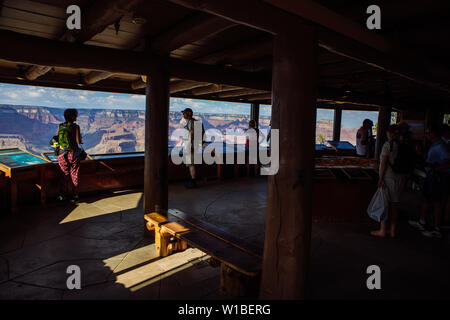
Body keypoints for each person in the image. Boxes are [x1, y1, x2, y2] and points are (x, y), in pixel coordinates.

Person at [409, 125, 450, 238]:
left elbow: (448, 162)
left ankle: (437, 229)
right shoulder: (435, 145)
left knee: (437, 202)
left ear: (434, 134)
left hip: (438, 177)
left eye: (428, 132)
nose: (426, 135)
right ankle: (422, 222)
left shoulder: (441, 146)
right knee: (426, 199)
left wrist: (435, 169)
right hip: (430, 175)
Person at [371, 124, 406, 238]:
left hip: (388, 178)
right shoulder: (403, 145)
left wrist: (380, 178)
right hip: (400, 178)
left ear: (389, 133)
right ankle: (392, 231)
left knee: (384, 204)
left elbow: (384, 163)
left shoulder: (388, 145)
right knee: (394, 206)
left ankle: (382, 230)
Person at [57, 108, 82, 203]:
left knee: (64, 174)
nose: (77, 116)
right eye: (76, 115)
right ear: (72, 116)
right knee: (74, 173)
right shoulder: (76, 127)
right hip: (73, 153)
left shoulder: (60, 126)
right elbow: (78, 141)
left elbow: (57, 138)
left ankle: (62, 195)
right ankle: (75, 195)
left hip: (62, 153)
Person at [181, 108, 203, 188]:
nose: (183, 115)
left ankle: (193, 182)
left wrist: (188, 146)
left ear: (188, 114)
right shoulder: (195, 122)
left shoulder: (191, 122)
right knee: (191, 164)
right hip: (195, 145)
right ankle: (192, 181)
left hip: (191, 146)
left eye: (184, 113)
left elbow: (191, 133)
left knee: (191, 164)